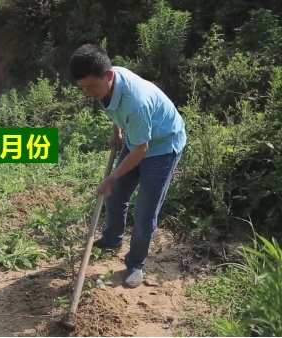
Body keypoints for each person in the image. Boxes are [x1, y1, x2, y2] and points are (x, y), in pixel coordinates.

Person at [68, 44, 187, 288]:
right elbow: (113, 109)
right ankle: (112, 239)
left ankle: (136, 264)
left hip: (162, 146)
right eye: (83, 88)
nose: (89, 93)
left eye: (92, 86)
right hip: (137, 138)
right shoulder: (107, 83)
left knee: (144, 212)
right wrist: (117, 132)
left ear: (108, 76)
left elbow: (142, 150)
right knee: (116, 196)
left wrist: (110, 177)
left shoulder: (137, 102)